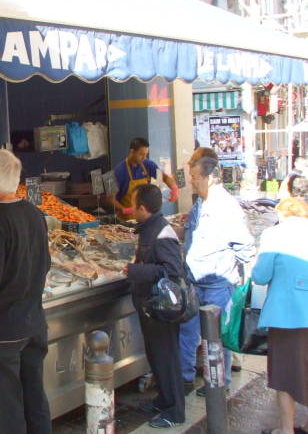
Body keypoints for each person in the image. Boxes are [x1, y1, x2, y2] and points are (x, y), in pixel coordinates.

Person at [0, 148, 52, 434]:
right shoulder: (33, 212)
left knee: (4, 411)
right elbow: (46, 264)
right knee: (34, 400)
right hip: (34, 324)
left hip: (4, 331)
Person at [181, 156, 255, 397]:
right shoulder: (200, 203)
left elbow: (244, 245)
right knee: (188, 333)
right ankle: (185, 378)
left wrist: (242, 281)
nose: (191, 181)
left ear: (210, 178)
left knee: (216, 338)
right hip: (194, 281)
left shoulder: (225, 206)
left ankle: (218, 382)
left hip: (218, 285)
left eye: (195, 177)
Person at [124, 184, 186, 428]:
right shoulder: (149, 228)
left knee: (167, 358)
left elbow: (173, 270)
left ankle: (175, 412)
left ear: (142, 208)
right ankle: (163, 400)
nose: (130, 208)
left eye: (133, 203)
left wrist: (135, 270)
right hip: (149, 305)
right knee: (157, 356)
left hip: (161, 307)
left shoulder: (162, 232)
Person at [253, 197, 308, 434]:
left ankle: (286, 429)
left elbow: (261, 276)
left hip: (287, 316)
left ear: (282, 214)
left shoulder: (274, 235)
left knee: (286, 374)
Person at [110, 137, 179, 220]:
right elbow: (110, 199)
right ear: (132, 152)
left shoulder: (148, 165)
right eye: (141, 154)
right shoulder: (118, 171)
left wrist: (174, 188)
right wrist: (124, 210)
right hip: (128, 220)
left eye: (146, 154)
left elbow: (164, 177)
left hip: (146, 217)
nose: (144, 158)